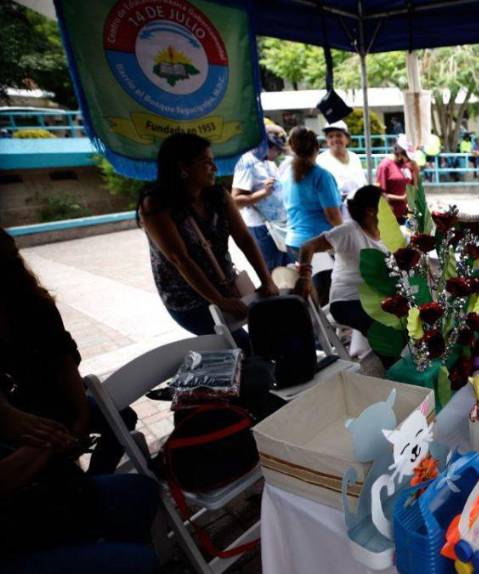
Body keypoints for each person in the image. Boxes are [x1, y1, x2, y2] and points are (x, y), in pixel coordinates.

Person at [0, 229, 160, 574]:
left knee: (120, 419)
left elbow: (65, 360)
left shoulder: (30, 302)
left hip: (46, 411)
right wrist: (46, 445)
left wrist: (79, 418)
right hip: (17, 505)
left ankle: (93, 486)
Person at [140, 134, 278, 348]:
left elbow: (244, 239)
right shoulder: (156, 205)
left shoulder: (218, 196)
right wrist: (219, 301)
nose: (214, 167)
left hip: (226, 285)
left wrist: (266, 279)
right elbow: (180, 259)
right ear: (182, 167)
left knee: (266, 335)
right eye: (206, 162)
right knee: (242, 347)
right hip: (188, 298)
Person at [293, 186, 394, 364]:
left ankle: (398, 360)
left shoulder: (386, 233)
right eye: (387, 205)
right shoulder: (349, 231)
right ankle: (393, 370)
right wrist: (305, 277)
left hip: (375, 298)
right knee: (385, 328)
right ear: (371, 211)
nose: (392, 209)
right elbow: (307, 247)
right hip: (347, 301)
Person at [231, 124, 292, 271]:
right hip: (261, 227)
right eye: (277, 149)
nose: (279, 154)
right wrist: (263, 193)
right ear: (267, 144)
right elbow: (235, 200)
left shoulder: (267, 162)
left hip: (278, 225)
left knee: (287, 270)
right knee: (273, 270)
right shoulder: (247, 162)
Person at [283, 126, 343, 258]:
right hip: (317, 245)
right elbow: (333, 216)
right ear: (317, 148)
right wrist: (347, 236)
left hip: (292, 242)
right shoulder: (321, 176)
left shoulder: (287, 173)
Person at [317, 120, 367, 215]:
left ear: (347, 139)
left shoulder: (354, 157)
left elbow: (362, 184)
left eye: (339, 135)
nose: (335, 139)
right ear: (326, 141)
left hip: (358, 213)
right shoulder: (320, 161)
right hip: (335, 215)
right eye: (330, 136)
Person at [375, 134, 420, 221]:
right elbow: (380, 194)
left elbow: (414, 186)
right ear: (398, 151)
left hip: (408, 214)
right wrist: (401, 198)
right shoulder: (385, 166)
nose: (407, 159)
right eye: (406, 156)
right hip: (391, 215)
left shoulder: (407, 165)